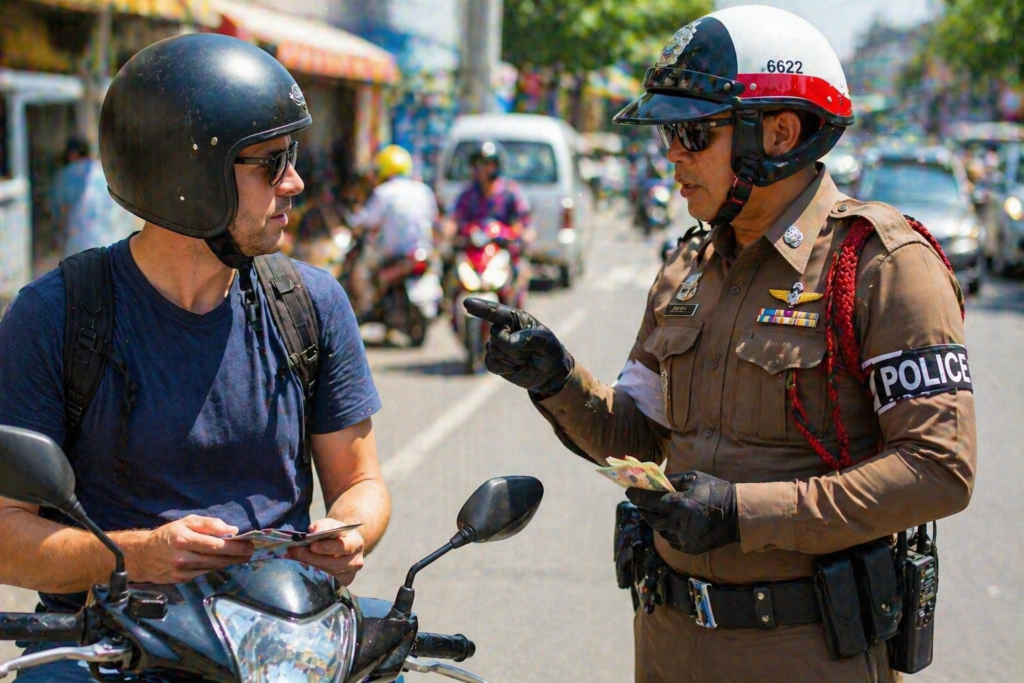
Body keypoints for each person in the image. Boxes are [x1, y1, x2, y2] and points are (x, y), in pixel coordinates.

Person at [464, 6, 975, 682]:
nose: (672, 153)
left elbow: (939, 468)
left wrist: (742, 514)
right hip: (667, 639)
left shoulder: (881, 265)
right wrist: (557, 378)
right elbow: (638, 438)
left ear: (781, 132)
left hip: (803, 650)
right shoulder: (689, 266)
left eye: (693, 132)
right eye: (669, 132)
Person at [0, 34, 389, 681]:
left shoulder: (310, 302)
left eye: (291, 157)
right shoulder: (56, 315)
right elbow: (7, 535)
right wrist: (135, 554)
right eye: (268, 163)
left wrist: (348, 531)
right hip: (117, 648)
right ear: (187, 177)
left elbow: (361, 482)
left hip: (284, 636)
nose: (294, 182)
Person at [346, 144, 439, 320]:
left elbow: (367, 221)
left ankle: (365, 307)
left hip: (393, 255)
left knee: (362, 271)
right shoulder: (423, 190)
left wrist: (353, 222)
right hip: (423, 253)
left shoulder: (383, 193)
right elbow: (434, 219)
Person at [49, 137, 138, 257]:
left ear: (72, 154)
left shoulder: (67, 175)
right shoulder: (108, 171)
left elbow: (59, 211)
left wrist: (58, 238)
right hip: (113, 244)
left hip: (80, 247)